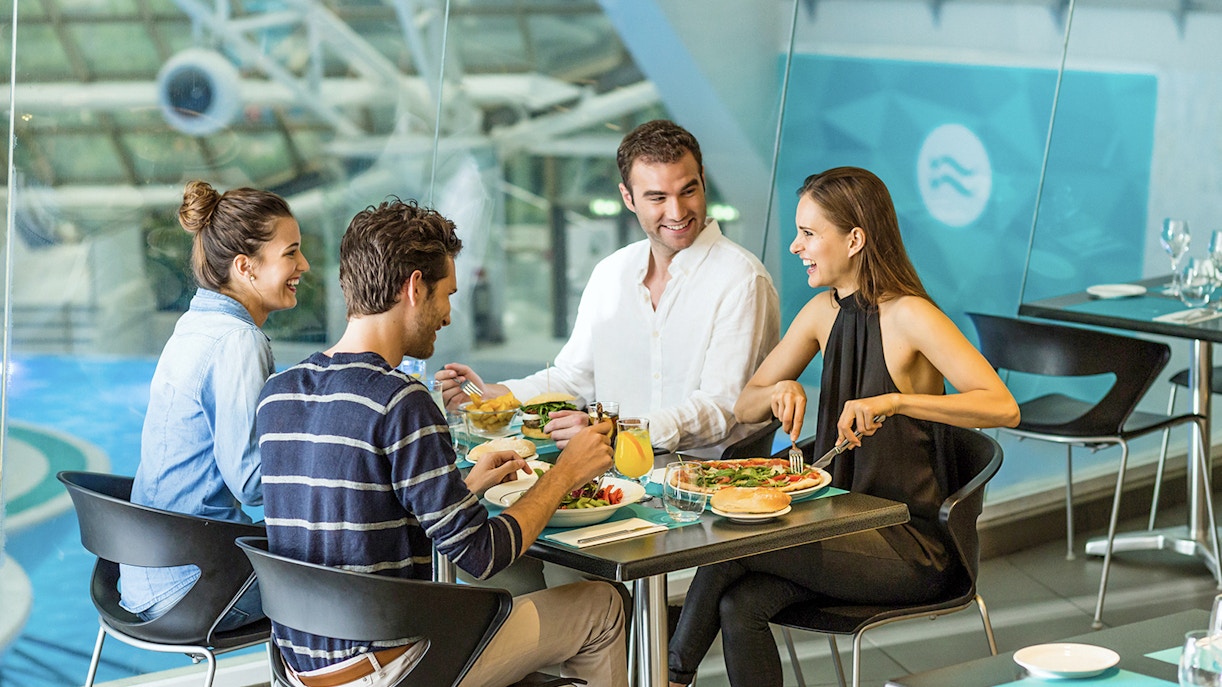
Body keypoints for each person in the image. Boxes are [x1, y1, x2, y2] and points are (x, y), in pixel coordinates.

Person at [666, 167, 1020, 687]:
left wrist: (899, 401)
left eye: (809, 233)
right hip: (841, 530)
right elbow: (746, 405)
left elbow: (1003, 407)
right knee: (741, 604)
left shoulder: (911, 316)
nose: (794, 246)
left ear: (855, 239)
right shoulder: (820, 313)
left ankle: (668, 678)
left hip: (912, 545)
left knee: (732, 549)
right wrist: (782, 390)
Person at [256, 198, 628, 687]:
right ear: (415, 287)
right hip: (392, 667)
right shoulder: (400, 400)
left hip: (299, 671)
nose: (448, 315)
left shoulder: (278, 394)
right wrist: (566, 473)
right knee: (601, 604)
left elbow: (357, 515)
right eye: (447, 294)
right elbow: (481, 556)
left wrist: (463, 491)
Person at [436, 119, 780, 453]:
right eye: (657, 198)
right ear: (628, 198)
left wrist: (619, 432)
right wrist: (491, 395)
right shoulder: (611, 273)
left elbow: (722, 408)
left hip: (705, 487)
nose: (677, 212)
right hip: (615, 481)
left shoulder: (742, 280)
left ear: (703, 181)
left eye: (687, 191)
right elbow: (573, 380)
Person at [120, 180, 310, 629]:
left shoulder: (195, 323)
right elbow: (252, 484)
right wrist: (334, 452)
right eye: (291, 253)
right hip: (198, 586)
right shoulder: (237, 340)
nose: (304, 264)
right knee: (363, 572)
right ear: (245, 267)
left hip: (145, 579)